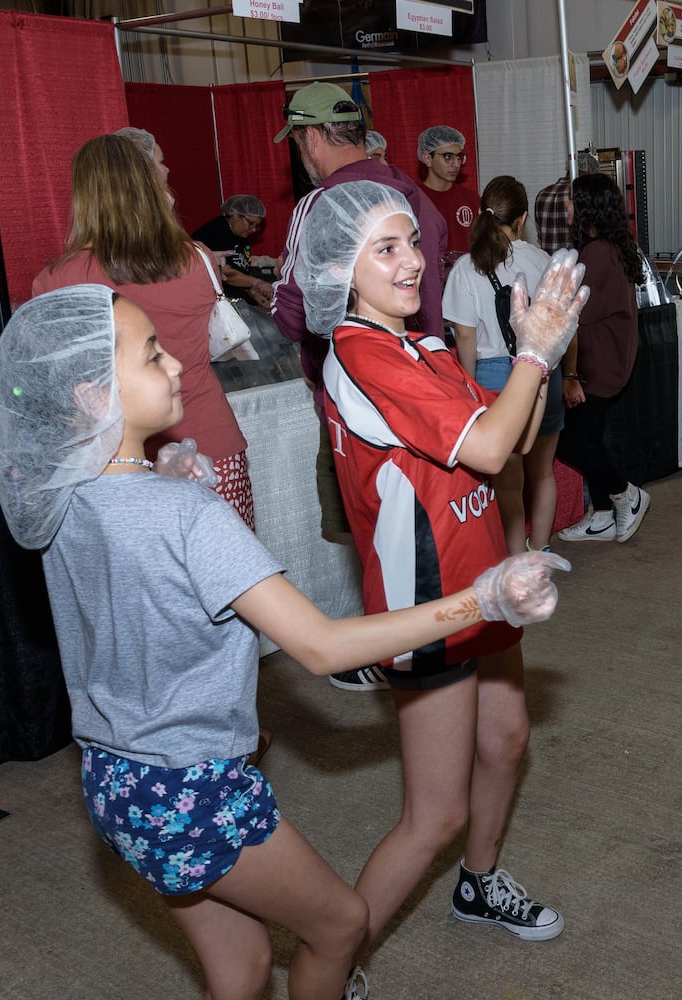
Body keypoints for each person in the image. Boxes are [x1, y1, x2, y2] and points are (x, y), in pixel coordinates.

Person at [0, 283, 570, 1000]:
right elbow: (321, 647)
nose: (176, 365)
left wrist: (154, 468)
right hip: (194, 788)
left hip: (114, 783)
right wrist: (479, 599)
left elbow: (132, 559)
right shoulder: (187, 518)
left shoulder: (64, 495)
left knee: (243, 968)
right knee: (339, 924)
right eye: (151, 355)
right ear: (92, 395)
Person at [302, 180, 587, 955]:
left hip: (486, 585)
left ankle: (479, 884)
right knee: (434, 816)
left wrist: (542, 357)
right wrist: (530, 352)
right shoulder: (360, 354)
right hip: (428, 604)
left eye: (414, 244)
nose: (413, 263)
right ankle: (334, 960)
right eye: (385, 249)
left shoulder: (420, 345)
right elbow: (493, 450)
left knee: (506, 740)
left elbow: (513, 439)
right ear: (339, 268)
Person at [270, 82, 449, 692]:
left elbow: (294, 313)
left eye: (297, 140)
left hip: (360, 391)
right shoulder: (410, 195)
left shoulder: (320, 205)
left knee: (376, 525)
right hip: (431, 377)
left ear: (311, 136)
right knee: (427, 522)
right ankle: (430, 634)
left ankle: (391, 646)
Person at [33, 134, 255, 531]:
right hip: (208, 437)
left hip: (114, 460)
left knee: (137, 585)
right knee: (234, 579)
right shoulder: (196, 258)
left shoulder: (56, 281)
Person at [443, 175, 563, 552]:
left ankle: (515, 564)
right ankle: (540, 553)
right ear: (522, 218)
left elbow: (466, 339)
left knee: (508, 483)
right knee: (542, 473)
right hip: (545, 374)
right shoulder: (542, 260)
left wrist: (468, 392)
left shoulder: (466, 268)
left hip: (493, 376)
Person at [552, 172, 652, 544]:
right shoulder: (609, 247)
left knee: (570, 442)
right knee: (589, 438)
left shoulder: (596, 254)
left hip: (597, 365)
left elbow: (574, 319)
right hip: (609, 358)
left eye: (571, 200)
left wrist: (572, 374)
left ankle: (626, 492)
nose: (565, 206)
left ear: (587, 207)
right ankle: (604, 514)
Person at [192, 195, 274, 309]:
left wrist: (255, 293)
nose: (254, 229)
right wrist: (257, 283)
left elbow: (242, 274)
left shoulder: (242, 238)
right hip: (211, 304)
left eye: (257, 225)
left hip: (231, 301)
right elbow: (224, 272)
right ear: (235, 215)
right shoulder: (217, 231)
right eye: (251, 223)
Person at [418, 124, 479, 268]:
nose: (456, 163)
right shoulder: (415, 199)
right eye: (448, 157)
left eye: (459, 157)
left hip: (468, 281)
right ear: (427, 158)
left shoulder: (471, 199)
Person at [535, 151, 599, 255]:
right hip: (574, 264)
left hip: (548, 265)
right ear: (588, 172)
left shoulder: (542, 194)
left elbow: (539, 235)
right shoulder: (580, 196)